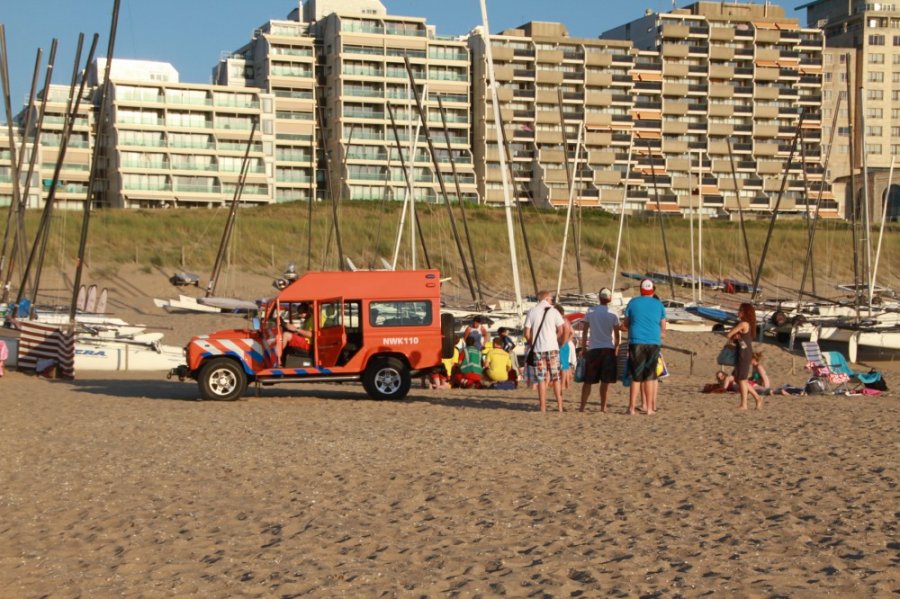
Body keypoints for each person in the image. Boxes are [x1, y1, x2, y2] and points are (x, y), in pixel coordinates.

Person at [622, 279, 666, 415]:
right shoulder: (659, 305)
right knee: (650, 376)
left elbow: (626, 323)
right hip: (653, 341)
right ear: (653, 290)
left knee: (636, 376)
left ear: (641, 290)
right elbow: (663, 327)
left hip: (636, 341)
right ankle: (649, 408)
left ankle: (631, 408)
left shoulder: (633, 302)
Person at [523, 290, 567, 413]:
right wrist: (554, 338)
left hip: (538, 349)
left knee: (541, 378)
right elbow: (561, 330)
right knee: (555, 377)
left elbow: (526, 333)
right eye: (551, 298)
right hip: (552, 348)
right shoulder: (554, 311)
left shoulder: (532, 311)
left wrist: (533, 343)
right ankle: (559, 406)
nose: (552, 300)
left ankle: (542, 407)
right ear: (546, 298)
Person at [579, 287, 621, 413]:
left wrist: (583, 346)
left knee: (588, 380)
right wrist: (617, 347)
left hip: (594, 348)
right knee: (605, 380)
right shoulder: (613, 313)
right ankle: (603, 407)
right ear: (610, 299)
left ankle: (582, 407)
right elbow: (617, 333)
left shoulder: (591, 311)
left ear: (599, 298)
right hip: (608, 348)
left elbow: (585, 330)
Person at [726, 302, 764, 410]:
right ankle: (757, 397)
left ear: (745, 312)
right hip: (743, 352)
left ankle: (744, 404)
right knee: (739, 379)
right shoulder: (748, 324)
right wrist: (737, 337)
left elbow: (728, 334)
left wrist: (734, 335)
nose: (738, 312)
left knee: (741, 379)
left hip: (744, 353)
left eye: (740, 310)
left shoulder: (743, 324)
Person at [555, 304, 576, 390]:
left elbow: (571, 332)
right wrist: (567, 340)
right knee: (566, 365)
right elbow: (572, 332)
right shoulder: (565, 320)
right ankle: (567, 384)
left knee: (563, 366)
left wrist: (564, 341)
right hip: (564, 344)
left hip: (562, 344)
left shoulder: (562, 321)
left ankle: (563, 385)